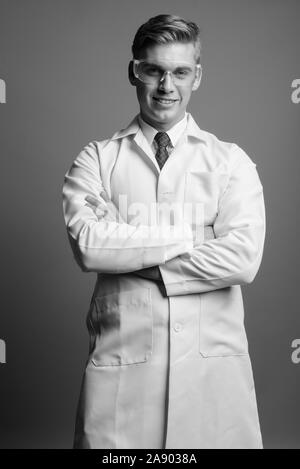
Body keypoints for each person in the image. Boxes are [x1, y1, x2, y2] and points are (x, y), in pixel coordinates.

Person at [62, 14, 266, 449]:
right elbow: (89, 246)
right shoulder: (97, 159)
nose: (166, 86)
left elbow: (243, 259)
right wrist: (193, 237)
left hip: (213, 381)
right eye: (153, 70)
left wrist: (127, 236)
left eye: (180, 72)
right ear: (134, 72)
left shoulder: (230, 162)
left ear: (198, 76)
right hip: (124, 378)